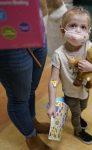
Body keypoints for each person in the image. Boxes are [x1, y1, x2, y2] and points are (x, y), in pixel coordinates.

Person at [47, 6, 92, 145]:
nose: (77, 30)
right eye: (73, 25)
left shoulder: (88, 46)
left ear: (88, 31)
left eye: (83, 27)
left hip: (84, 89)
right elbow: (53, 81)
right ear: (62, 29)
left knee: (83, 106)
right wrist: (51, 104)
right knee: (75, 113)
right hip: (70, 93)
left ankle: (79, 115)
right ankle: (78, 130)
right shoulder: (59, 54)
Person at [0, 0, 56, 149]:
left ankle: (32, 122)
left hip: (35, 26)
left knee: (31, 88)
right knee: (18, 98)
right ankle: (31, 137)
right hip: (8, 38)